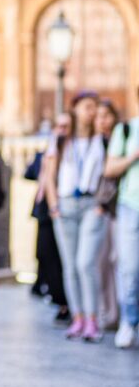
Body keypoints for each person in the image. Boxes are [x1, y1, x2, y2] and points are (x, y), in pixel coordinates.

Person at [44, 90, 109, 342]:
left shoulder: (102, 140)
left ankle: (93, 319)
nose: (90, 112)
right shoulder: (61, 140)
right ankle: (78, 317)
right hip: (65, 205)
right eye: (86, 107)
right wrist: (54, 206)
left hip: (92, 204)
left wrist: (102, 204)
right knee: (70, 266)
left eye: (94, 107)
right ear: (76, 110)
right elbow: (50, 175)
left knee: (85, 263)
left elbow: (106, 174)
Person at [105, 88, 139, 348]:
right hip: (130, 206)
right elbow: (110, 169)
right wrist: (133, 156)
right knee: (129, 268)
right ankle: (129, 320)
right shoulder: (126, 130)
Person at [29, 112, 71, 322]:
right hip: (46, 206)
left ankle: (68, 304)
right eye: (59, 126)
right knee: (43, 252)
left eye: (66, 126)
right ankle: (59, 298)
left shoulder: (72, 151)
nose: (62, 131)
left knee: (63, 256)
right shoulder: (48, 152)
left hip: (65, 206)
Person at [95, 100, 121, 330]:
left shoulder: (122, 139)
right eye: (98, 115)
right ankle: (109, 312)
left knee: (118, 260)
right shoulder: (93, 143)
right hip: (98, 208)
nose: (102, 120)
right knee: (102, 262)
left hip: (116, 207)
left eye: (107, 115)